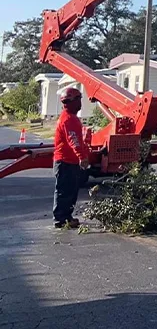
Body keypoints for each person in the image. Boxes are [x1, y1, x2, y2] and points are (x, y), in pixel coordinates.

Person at [53, 88, 89, 229]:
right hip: (65, 161)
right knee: (65, 191)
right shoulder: (69, 119)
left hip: (68, 161)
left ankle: (66, 217)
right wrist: (82, 156)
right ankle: (61, 219)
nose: (80, 103)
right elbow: (73, 139)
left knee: (70, 191)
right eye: (79, 99)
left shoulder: (68, 117)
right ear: (75, 102)